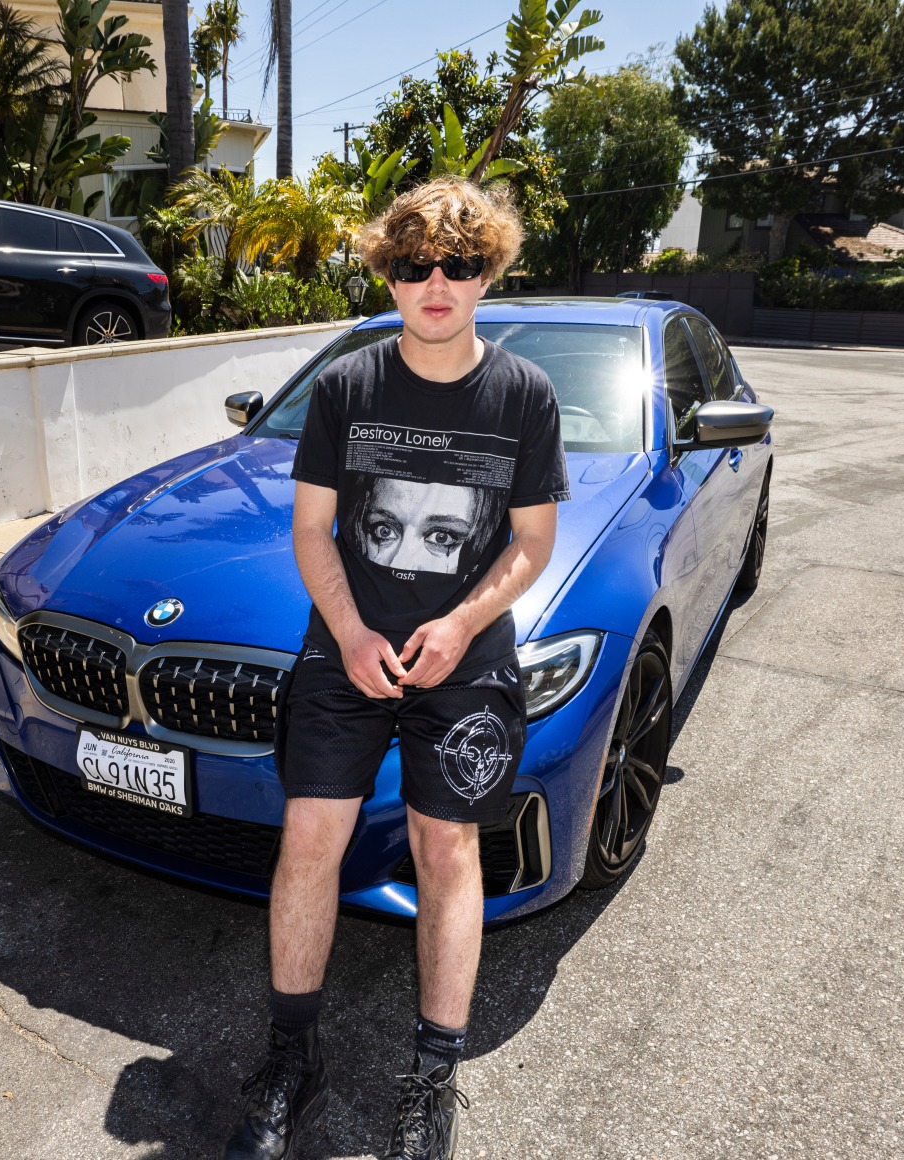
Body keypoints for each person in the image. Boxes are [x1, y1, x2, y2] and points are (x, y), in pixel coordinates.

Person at [222, 177, 570, 1160]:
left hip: (463, 663)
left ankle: (431, 1075)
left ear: (485, 275)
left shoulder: (522, 395)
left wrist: (459, 623)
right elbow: (310, 527)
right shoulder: (345, 387)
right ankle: (293, 1058)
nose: (435, 282)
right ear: (388, 272)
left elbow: (533, 543)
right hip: (345, 652)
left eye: (459, 265)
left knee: (446, 849)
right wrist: (352, 631)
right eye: (414, 263)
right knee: (308, 841)